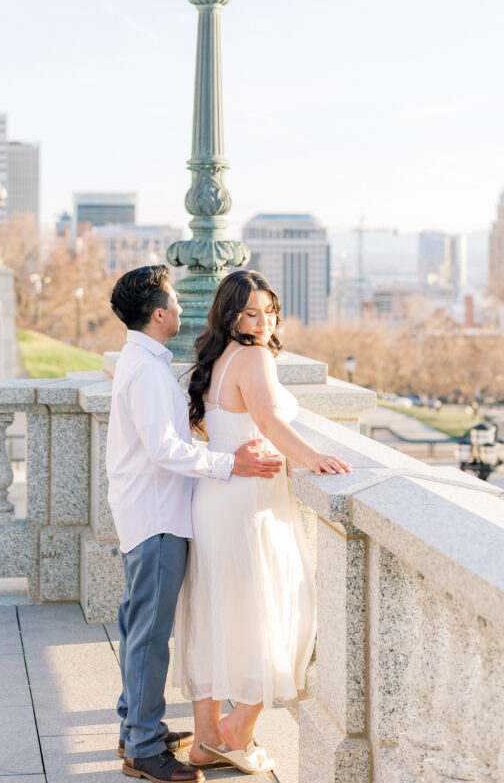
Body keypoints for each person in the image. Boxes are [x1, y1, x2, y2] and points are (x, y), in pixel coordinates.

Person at [106, 265, 283, 783]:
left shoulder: (143, 360)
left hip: (151, 510)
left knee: (139, 624)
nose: (183, 307)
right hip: (157, 516)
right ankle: (142, 748)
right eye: (176, 300)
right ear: (159, 314)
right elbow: (165, 450)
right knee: (148, 633)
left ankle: (135, 727)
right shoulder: (146, 370)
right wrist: (231, 462)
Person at [173, 270, 352, 774]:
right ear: (230, 315)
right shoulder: (252, 356)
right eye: (251, 312)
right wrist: (314, 457)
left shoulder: (218, 357)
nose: (264, 319)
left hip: (217, 496)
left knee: (217, 610)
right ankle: (237, 731)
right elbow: (271, 422)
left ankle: (209, 740)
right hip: (248, 502)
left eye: (269, 309)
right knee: (273, 608)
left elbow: (224, 425)